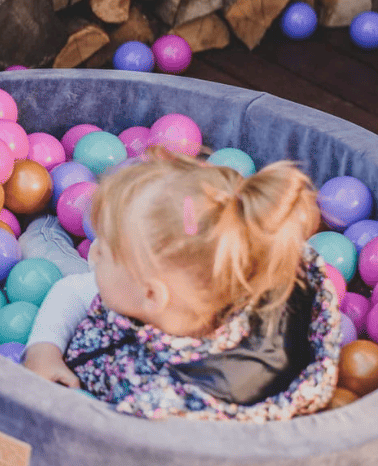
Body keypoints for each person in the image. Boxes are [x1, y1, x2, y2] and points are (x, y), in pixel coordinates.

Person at [23, 147, 342, 420]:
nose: (93, 251)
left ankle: (43, 238)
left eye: (105, 251)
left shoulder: (166, 404)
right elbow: (75, 291)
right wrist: (44, 349)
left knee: (44, 252)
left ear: (151, 295)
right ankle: (45, 234)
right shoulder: (226, 277)